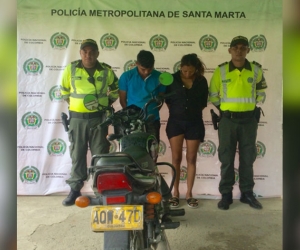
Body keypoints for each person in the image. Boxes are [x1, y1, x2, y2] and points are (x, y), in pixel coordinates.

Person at [209, 35, 267, 210]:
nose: (239, 50)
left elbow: (262, 90)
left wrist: (253, 104)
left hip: (249, 120)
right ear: (230, 50)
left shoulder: (256, 70)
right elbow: (213, 94)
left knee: (248, 158)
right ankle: (226, 194)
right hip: (228, 121)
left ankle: (247, 193)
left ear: (248, 50)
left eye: (243, 47)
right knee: (226, 158)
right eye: (236, 47)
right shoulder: (221, 71)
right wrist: (225, 110)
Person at [60, 38, 119, 206]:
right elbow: (64, 89)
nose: (88, 55)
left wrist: (107, 104)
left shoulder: (106, 71)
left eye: (92, 51)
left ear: (97, 53)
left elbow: (115, 88)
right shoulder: (71, 69)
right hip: (77, 119)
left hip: (98, 119)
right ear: (80, 53)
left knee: (100, 155)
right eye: (85, 51)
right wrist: (73, 104)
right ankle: (75, 190)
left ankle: (101, 191)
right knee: (77, 154)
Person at [165, 53, 208, 209]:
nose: (187, 74)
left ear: (196, 69)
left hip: (194, 123)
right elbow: (168, 101)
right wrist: (179, 112)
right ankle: (175, 193)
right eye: (184, 71)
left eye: (190, 71)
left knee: (191, 159)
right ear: (180, 67)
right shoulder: (172, 79)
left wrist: (190, 112)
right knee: (176, 159)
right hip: (175, 122)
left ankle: (189, 194)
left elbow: (203, 102)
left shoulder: (202, 81)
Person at [118, 50, 165, 143]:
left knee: (152, 150)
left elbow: (161, 100)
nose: (147, 72)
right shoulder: (126, 76)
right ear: (136, 64)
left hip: (152, 120)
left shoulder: (160, 77)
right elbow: (122, 100)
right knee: (132, 149)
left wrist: (151, 111)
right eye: (143, 69)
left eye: (150, 69)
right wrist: (131, 115)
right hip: (132, 121)